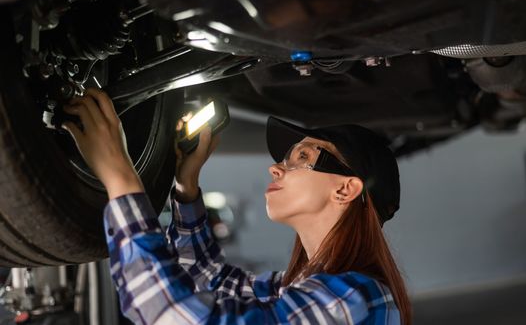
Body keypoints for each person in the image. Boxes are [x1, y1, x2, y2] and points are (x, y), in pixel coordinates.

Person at [61, 88, 412, 325]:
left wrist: (121, 177)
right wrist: (186, 186)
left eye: (302, 156)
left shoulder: (356, 298)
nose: (276, 167)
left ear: (345, 189)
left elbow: (173, 314)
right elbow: (200, 277)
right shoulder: (297, 288)